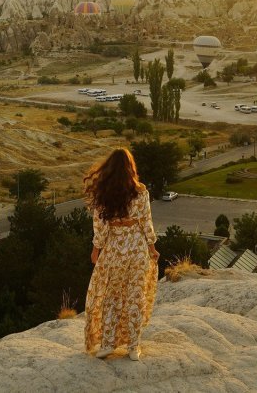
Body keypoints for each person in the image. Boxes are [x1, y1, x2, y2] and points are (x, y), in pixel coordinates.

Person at [83, 148, 159, 361]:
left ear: (108, 169)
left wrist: (96, 248)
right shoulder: (141, 191)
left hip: (114, 249)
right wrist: (152, 247)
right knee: (135, 295)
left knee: (111, 297)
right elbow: (146, 222)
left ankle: (108, 344)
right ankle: (133, 347)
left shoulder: (103, 193)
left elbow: (100, 226)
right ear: (130, 168)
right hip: (136, 248)